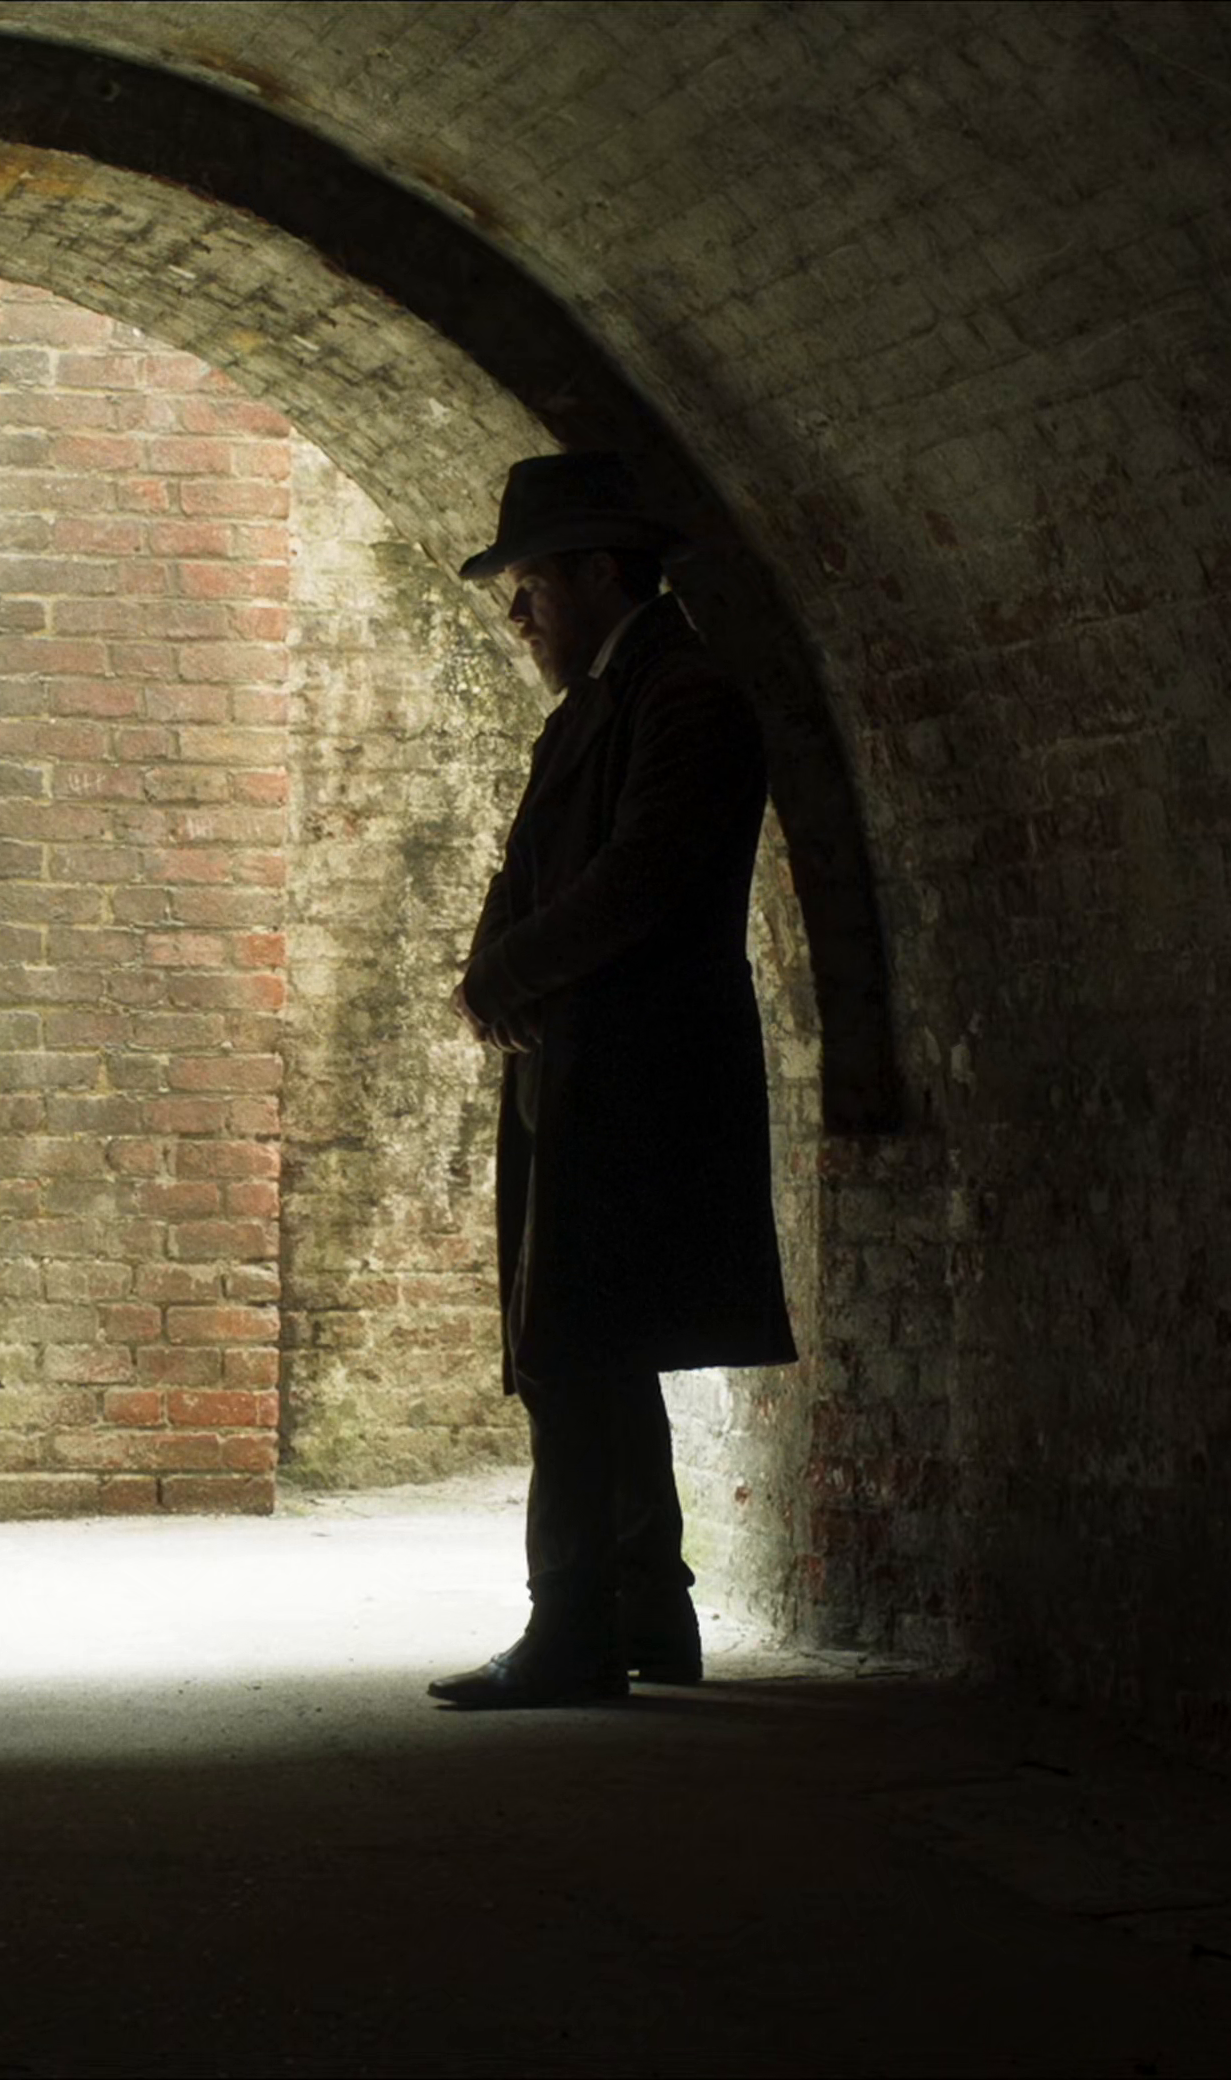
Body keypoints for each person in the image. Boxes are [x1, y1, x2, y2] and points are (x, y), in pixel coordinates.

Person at [431, 452, 798, 1710]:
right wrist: (497, 968)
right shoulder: (608, 702)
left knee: (573, 1350)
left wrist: (505, 972)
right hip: (586, 1060)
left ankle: (575, 1627)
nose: (518, 612)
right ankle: (647, 1610)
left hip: (637, 1070)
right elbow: (541, 865)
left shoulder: (684, 699)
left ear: (599, 572)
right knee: (595, 1341)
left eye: (533, 583)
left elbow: (637, 878)